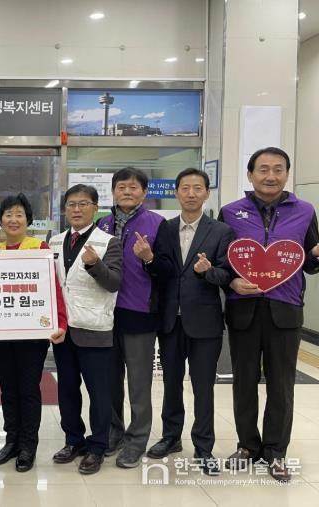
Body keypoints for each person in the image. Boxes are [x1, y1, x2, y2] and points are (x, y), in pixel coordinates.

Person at [219, 147, 319, 482]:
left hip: (285, 310)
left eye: (278, 169)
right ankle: (248, 446)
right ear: (250, 175)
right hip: (243, 309)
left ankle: (276, 452)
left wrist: (316, 255)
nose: (271, 176)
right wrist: (232, 281)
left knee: (282, 385)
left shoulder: (305, 211)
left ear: (287, 174)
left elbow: (310, 262)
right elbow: (223, 261)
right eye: (263, 169)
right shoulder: (231, 212)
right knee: (244, 382)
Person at [138, 168, 235, 474]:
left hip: (205, 321)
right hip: (170, 320)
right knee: (170, 383)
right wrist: (148, 258)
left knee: (203, 387)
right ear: (176, 192)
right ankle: (171, 437)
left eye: (197, 188)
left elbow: (227, 275)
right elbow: (162, 271)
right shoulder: (165, 229)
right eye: (185, 188)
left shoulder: (221, 231)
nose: (191, 193)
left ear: (206, 193)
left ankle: (204, 447)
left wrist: (209, 271)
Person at [0, 193, 67, 472]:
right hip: (3, 331)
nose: (13, 219)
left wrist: (60, 321)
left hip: (33, 333)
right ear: (0, 220)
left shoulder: (39, 247)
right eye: (8, 214)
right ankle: (11, 440)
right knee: (7, 388)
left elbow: (53, 287)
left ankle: (28, 445)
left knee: (28, 388)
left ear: (28, 220)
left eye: (19, 214)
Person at [50, 184, 122, 475]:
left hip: (94, 329)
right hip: (63, 330)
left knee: (99, 393)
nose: (77, 209)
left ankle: (97, 447)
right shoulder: (54, 241)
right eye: (71, 204)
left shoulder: (109, 242)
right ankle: (73, 441)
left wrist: (95, 265)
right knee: (67, 390)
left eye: (83, 204)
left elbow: (113, 283)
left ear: (95, 208)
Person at [96, 167, 164, 467]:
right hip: (105, 314)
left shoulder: (158, 224)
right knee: (109, 380)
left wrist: (149, 258)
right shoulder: (102, 224)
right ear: (113, 191)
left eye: (133, 187)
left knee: (139, 383)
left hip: (139, 313)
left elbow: (167, 269)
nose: (127, 191)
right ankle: (114, 432)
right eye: (121, 186)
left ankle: (137, 440)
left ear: (144, 192)